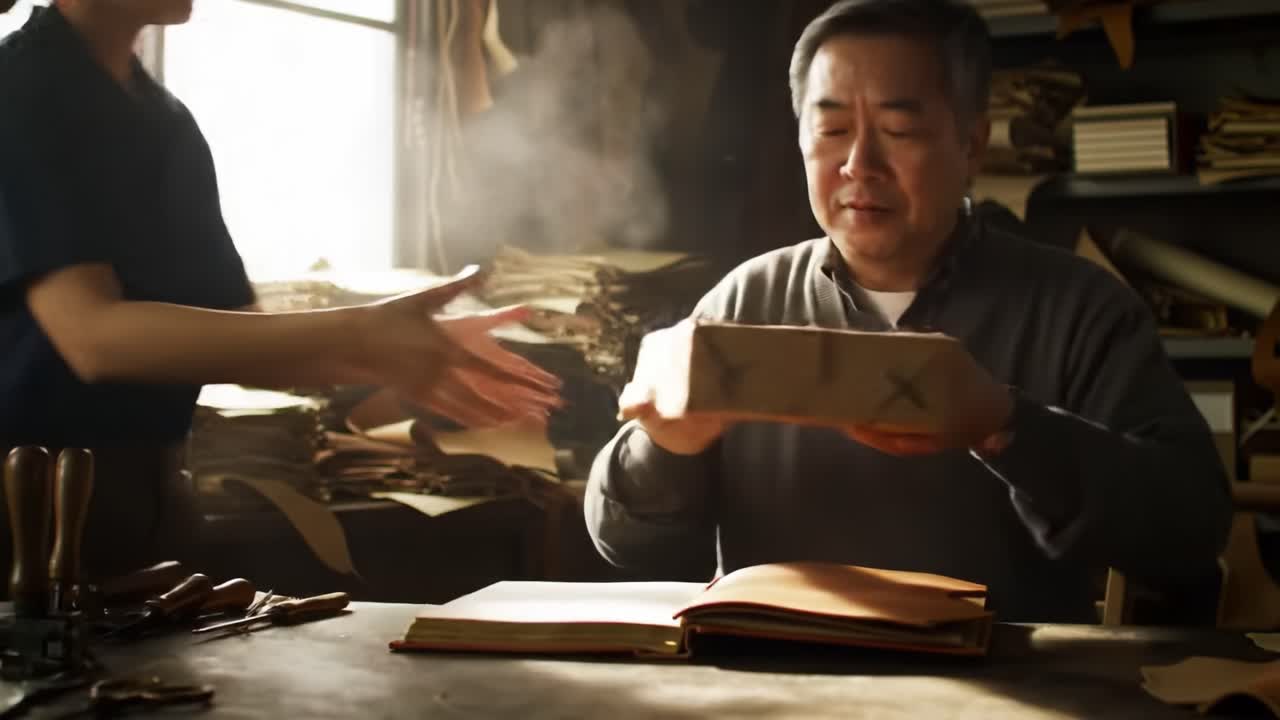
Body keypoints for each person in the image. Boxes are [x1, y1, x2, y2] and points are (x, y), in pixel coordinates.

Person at [585, 0, 1233, 622]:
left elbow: (1190, 532)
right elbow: (625, 544)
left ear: (972, 144)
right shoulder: (743, 302)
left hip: (1003, 689)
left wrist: (1006, 425)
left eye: (898, 131)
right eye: (831, 130)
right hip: (778, 683)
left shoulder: (1077, 308)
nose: (858, 165)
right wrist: (663, 449)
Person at [0, 0, 561, 583]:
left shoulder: (163, 120)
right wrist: (362, 332)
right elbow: (93, 339)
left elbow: (244, 339)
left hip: (154, 497)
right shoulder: (24, 90)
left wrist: (398, 349)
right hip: (28, 506)